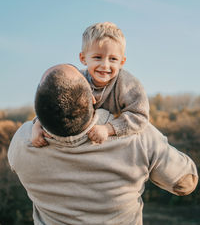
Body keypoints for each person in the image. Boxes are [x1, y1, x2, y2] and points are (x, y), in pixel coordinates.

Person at [8, 64, 198, 225]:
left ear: (38, 109)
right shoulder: (137, 136)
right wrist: (149, 133)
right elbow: (185, 183)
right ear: (92, 98)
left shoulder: (23, 142)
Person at [31, 22, 150, 146]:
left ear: (122, 62)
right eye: (98, 57)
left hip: (114, 134)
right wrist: (37, 126)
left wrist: (108, 129)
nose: (105, 65)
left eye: (113, 59)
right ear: (83, 58)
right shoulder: (77, 79)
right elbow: (56, 105)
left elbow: (139, 116)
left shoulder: (127, 83)